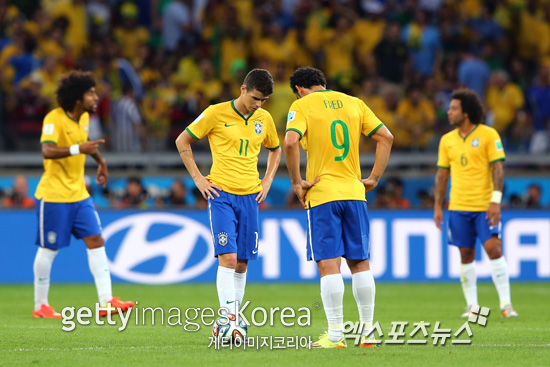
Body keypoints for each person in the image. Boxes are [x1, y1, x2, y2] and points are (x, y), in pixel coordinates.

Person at [284, 67, 393, 348]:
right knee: (360, 263)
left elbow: (290, 142)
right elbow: (386, 138)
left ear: (299, 89)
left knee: (329, 264)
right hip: (355, 192)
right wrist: (374, 178)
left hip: (322, 194)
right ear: (323, 83)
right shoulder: (355, 103)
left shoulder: (301, 105)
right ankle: (367, 332)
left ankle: (335, 336)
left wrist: (297, 182)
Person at [175, 69, 281, 316]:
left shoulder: (264, 119)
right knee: (229, 259)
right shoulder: (215, 112)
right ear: (243, 89)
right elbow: (182, 141)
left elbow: (275, 150)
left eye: (263, 100)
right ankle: (228, 320)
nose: (258, 104)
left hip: (251, 196)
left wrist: (267, 180)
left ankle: (233, 319)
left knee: (242, 264)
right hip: (221, 194)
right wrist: (199, 179)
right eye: (255, 98)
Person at [32, 71, 134, 318]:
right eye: (91, 93)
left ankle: (106, 302)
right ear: (77, 98)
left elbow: (85, 141)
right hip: (54, 195)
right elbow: (47, 150)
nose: (96, 97)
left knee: (96, 240)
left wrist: (100, 161)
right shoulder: (54, 118)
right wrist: (80, 148)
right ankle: (40, 306)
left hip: (79, 194)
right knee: (49, 249)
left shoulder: (85, 117)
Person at [434, 88, 518, 319]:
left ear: (466, 112)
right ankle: (472, 306)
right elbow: (442, 175)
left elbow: (498, 168)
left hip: (484, 205)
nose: (448, 112)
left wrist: (496, 201)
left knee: (494, 249)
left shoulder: (489, 135)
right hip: (459, 207)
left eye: (453, 108)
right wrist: (438, 206)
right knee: (466, 255)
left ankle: (506, 304)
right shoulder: (446, 140)